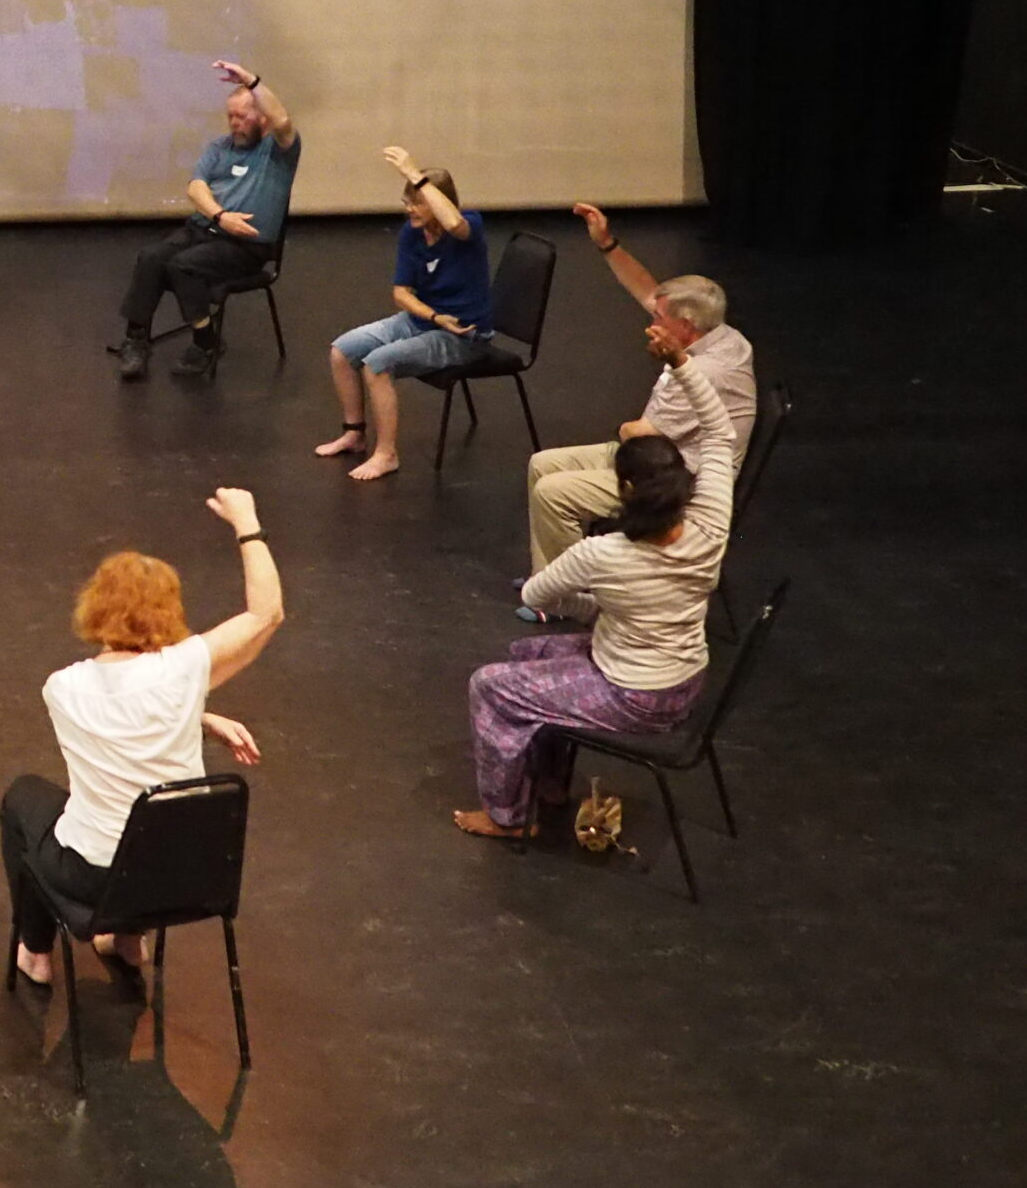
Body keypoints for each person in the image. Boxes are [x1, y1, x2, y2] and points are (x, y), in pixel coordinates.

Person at [454, 318, 732, 841]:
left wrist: (598, 604)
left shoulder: (603, 553)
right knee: (527, 656)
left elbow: (538, 594)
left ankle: (506, 818)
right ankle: (553, 784)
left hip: (635, 695)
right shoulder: (710, 526)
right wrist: (682, 363)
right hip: (686, 681)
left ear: (625, 488)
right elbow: (719, 432)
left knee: (490, 687)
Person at [0, 489, 282, 986]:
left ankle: (35, 951)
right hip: (185, 875)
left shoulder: (63, 688)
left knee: (23, 799)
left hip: (98, 879)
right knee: (150, 818)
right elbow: (266, 614)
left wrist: (199, 713)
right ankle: (128, 939)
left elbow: (120, 718)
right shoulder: (187, 668)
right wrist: (247, 524)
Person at [521, 204, 757, 581]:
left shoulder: (706, 372)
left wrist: (626, 429)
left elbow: (641, 432)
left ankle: (575, 590)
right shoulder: (719, 334)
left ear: (686, 325)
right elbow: (648, 292)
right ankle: (550, 574)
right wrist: (607, 245)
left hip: (678, 483)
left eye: (659, 319)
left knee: (554, 492)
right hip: (658, 458)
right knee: (541, 464)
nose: (652, 322)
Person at [313, 147, 495, 482]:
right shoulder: (412, 233)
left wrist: (416, 174)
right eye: (406, 202)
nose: (410, 209)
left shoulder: (470, 225)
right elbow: (401, 293)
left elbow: (452, 221)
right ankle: (354, 433)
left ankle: (387, 455)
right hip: (427, 322)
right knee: (342, 351)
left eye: (418, 202)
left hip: (465, 335)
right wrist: (434, 316)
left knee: (377, 364)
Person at [115, 61, 298, 381]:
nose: (234, 124)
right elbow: (195, 186)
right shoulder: (219, 147)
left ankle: (205, 342)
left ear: (262, 120)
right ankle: (136, 339)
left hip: (246, 246)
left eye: (242, 116)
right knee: (151, 258)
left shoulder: (278, 152)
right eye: (230, 116)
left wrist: (252, 82)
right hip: (205, 228)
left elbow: (283, 119)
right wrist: (220, 215)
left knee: (184, 266)